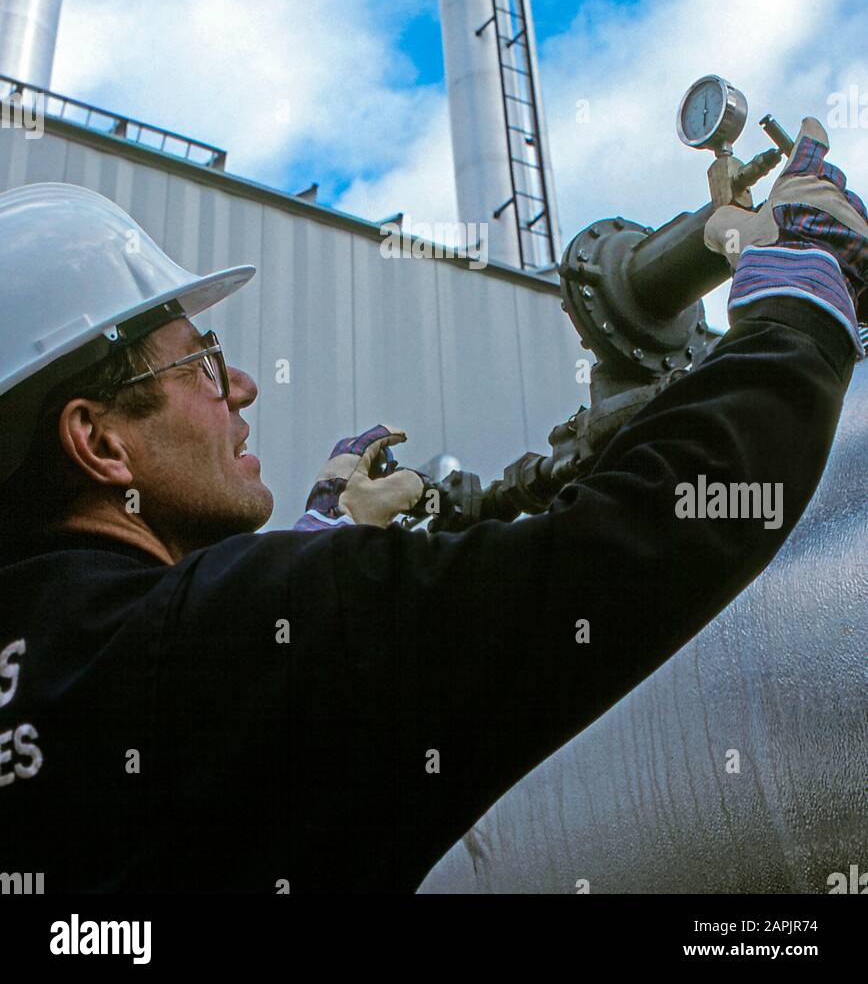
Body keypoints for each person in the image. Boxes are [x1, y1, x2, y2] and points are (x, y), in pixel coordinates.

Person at [0, 119, 865, 894]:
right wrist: (798, 308)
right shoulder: (216, 635)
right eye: (200, 362)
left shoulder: (83, 656)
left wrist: (317, 550)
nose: (243, 386)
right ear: (101, 443)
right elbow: (631, 548)